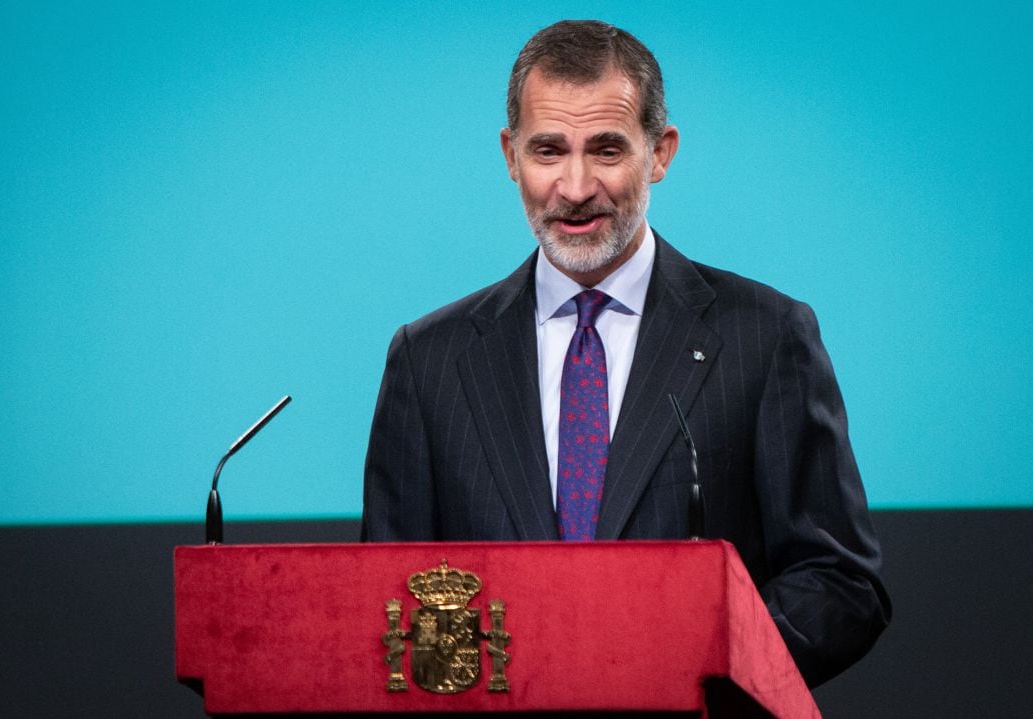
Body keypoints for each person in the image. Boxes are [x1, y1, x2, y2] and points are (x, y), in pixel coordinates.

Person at [361, 19, 890, 688]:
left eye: (607, 150)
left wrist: (696, 659)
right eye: (548, 150)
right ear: (509, 155)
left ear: (661, 152)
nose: (576, 187)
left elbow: (841, 583)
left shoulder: (767, 334)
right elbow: (387, 603)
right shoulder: (427, 360)